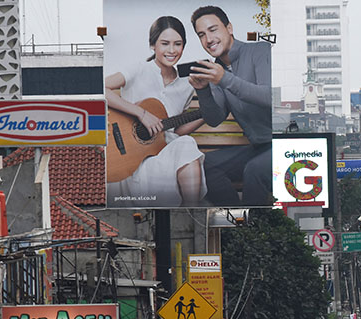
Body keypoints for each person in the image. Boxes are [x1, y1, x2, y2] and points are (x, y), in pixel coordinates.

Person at [105, 16, 207, 207]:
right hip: (130, 159)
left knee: (186, 143)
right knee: (186, 146)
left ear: (184, 46)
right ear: (153, 45)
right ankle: (190, 212)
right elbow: (102, 89)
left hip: (165, 152)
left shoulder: (187, 85)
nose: (171, 50)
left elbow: (173, 131)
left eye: (178, 44)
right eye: (165, 43)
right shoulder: (139, 69)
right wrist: (141, 113)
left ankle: (189, 211)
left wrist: (205, 115)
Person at [188, 6, 272, 205]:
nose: (208, 39)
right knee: (206, 164)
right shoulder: (216, 71)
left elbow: (269, 97)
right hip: (259, 147)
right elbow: (214, 119)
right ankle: (235, 221)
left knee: (254, 170)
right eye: (201, 34)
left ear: (229, 28)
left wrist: (225, 79)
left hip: (286, 145)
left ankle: (252, 229)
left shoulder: (260, 51)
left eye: (213, 29)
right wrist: (203, 90)